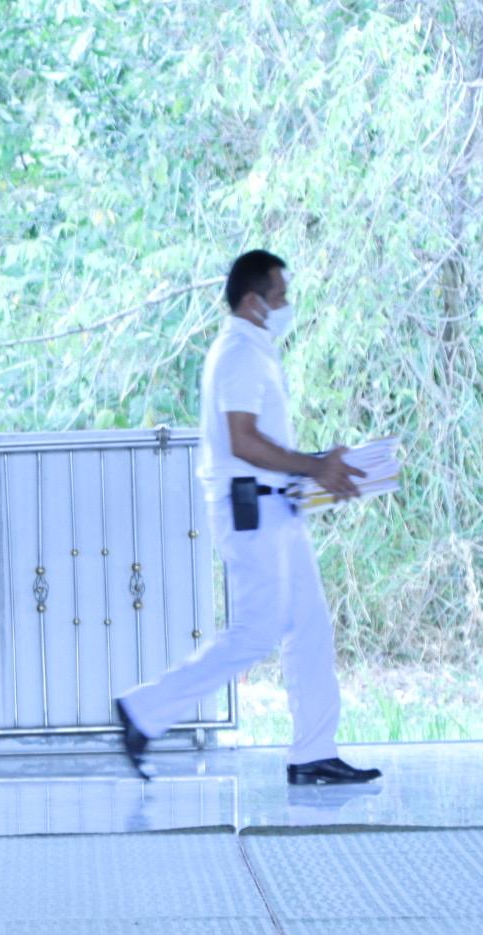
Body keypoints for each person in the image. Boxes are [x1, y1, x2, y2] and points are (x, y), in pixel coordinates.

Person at [116, 251, 380, 786]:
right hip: (251, 510)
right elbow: (242, 441)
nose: (287, 305)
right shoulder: (238, 352)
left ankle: (313, 752)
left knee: (309, 625)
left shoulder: (255, 350)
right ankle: (144, 711)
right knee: (257, 633)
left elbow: (261, 444)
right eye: (281, 296)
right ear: (254, 301)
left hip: (276, 505)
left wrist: (319, 471)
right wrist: (316, 467)